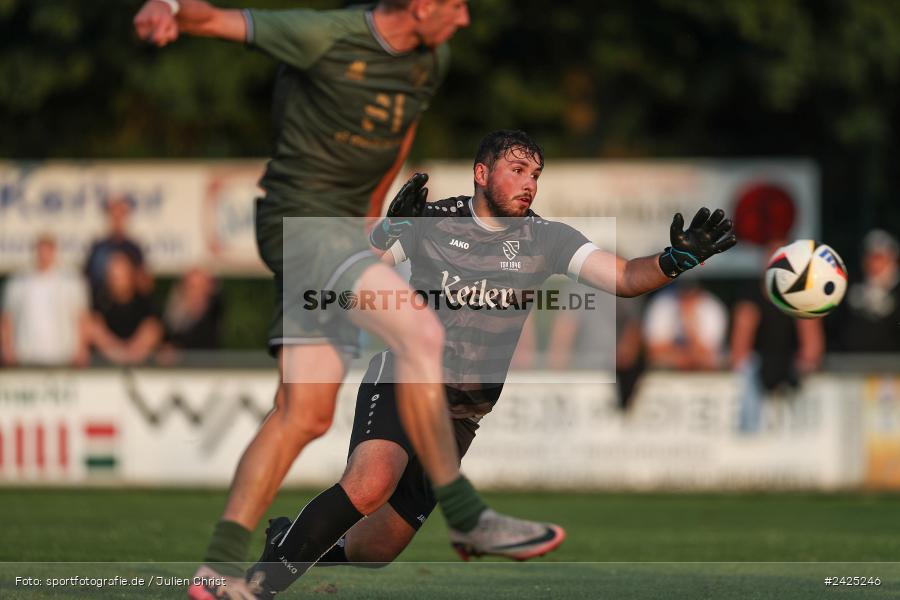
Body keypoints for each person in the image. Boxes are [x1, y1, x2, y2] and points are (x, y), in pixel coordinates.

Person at [133, 4, 563, 599]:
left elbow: (400, 132)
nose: (464, 19)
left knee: (304, 415)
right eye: (455, 5)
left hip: (341, 235)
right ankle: (468, 517)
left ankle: (221, 573)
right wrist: (173, 10)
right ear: (421, 5)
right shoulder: (327, 34)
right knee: (422, 334)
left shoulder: (430, 60)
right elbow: (223, 21)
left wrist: (376, 215)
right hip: (303, 224)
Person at [246, 130, 738, 596]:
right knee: (371, 483)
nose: (529, 184)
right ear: (481, 173)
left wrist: (674, 260)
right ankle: (255, 586)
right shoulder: (430, 221)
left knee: (374, 551)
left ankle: (288, 542)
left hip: (461, 412)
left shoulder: (546, 238)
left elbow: (626, 277)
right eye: (517, 170)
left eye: (535, 174)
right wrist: (388, 232)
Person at [730, 240, 824, 433]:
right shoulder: (751, 296)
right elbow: (740, 350)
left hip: (791, 367)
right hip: (758, 368)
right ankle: (749, 431)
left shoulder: (803, 297)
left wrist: (801, 366)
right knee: (748, 372)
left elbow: (812, 347)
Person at [1, 234, 90, 367]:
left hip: (63, 354)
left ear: (54, 251)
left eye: (47, 250)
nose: (44, 255)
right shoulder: (18, 282)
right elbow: (7, 319)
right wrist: (7, 347)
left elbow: (82, 317)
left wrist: (81, 348)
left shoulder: (71, 281)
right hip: (26, 354)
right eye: (41, 250)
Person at [89, 251, 163, 365]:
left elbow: (154, 329)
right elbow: (93, 328)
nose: (118, 280)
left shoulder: (144, 300)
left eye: (122, 275)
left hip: (138, 358)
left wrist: (132, 352)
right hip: (109, 358)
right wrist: (117, 352)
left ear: (131, 274)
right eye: (114, 276)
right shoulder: (100, 300)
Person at [833, 229, 900, 353]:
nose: (872, 263)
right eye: (869, 256)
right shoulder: (849, 287)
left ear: (892, 259)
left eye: (878, 257)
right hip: (847, 361)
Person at [643, 281, 728, 371]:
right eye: (683, 294)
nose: (686, 299)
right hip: (669, 369)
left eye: (691, 295)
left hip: (699, 370)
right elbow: (654, 353)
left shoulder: (711, 307)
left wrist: (690, 324)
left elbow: (707, 355)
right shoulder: (663, 303)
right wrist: (683, 358)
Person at [83, 194, 153, 301]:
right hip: (102, 304)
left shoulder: (134, 249)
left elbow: (144, 283)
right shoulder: (98, 248)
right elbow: (87, 280)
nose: (117, 220)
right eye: (114, 215)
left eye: (120, 215)